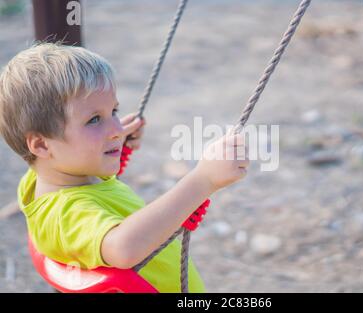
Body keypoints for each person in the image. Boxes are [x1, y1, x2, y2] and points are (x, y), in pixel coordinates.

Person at [0, 43, 249, 292]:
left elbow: (91, 204)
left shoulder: (48, 177)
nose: (117, 130)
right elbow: (124, 248)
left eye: (113, 112)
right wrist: (203, 180)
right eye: (94, 120)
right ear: (42, 145)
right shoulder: (65, 215)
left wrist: (111, 150)